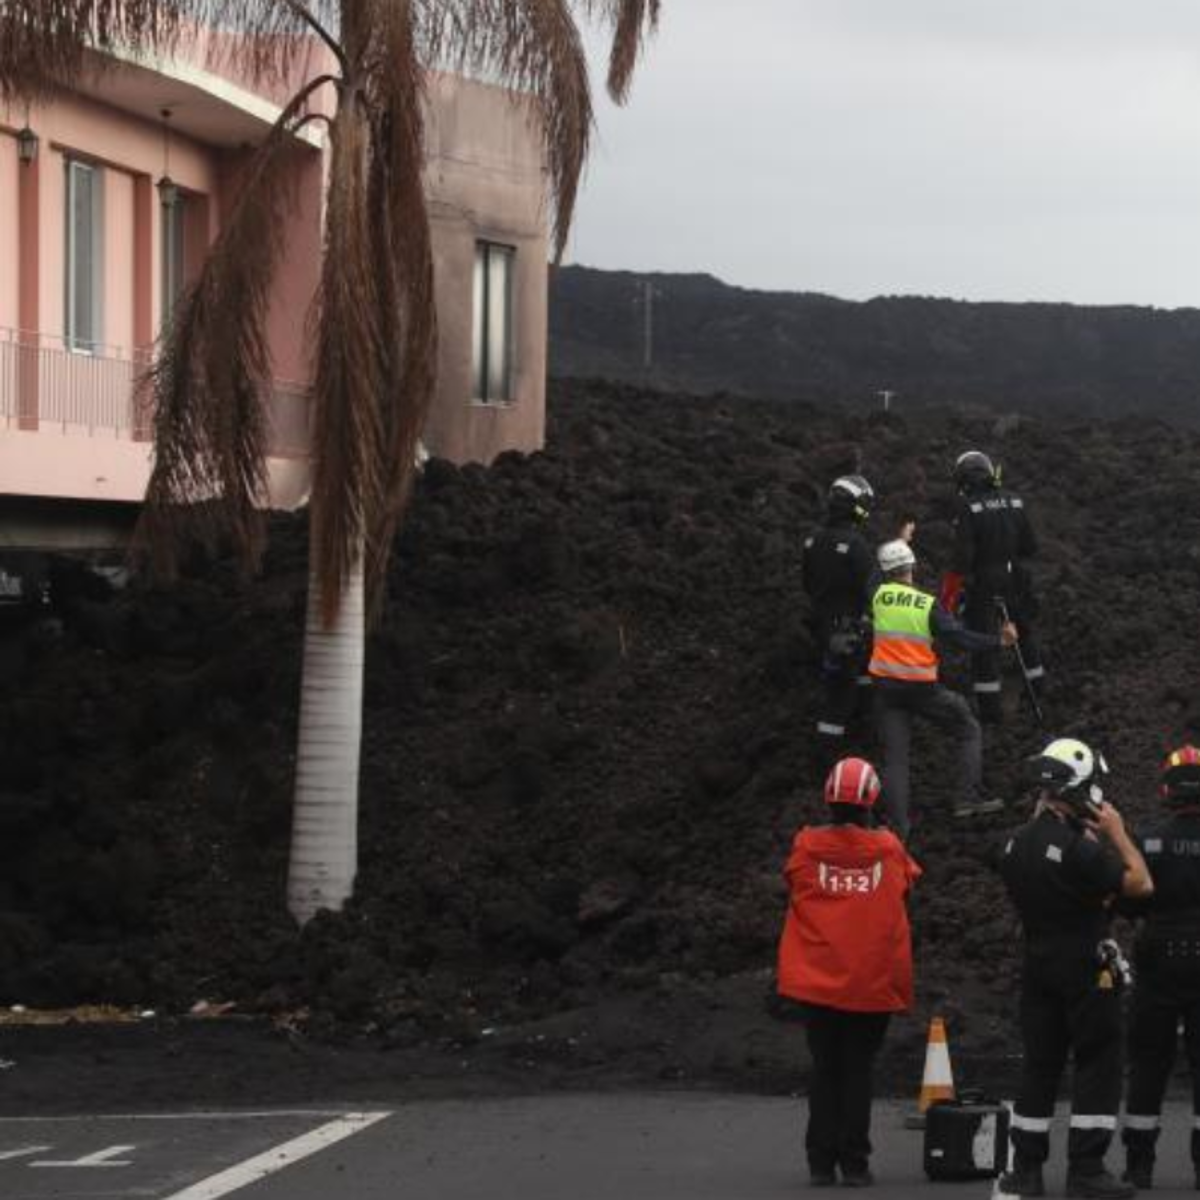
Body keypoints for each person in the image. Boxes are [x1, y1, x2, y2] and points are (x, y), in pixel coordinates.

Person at [998, 738, 1154, 1200]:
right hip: (1085, 965)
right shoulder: (1080, 851)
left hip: (1038, 964)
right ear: (1078, 789)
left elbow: (1040, 861)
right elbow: (1141, 885)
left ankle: (1025, 1170)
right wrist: (1118, 833)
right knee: (1098, 1063)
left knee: (1039, 1066)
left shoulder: (1012, 845)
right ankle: (1086, 1170)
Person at [776, 756, 922, 1188]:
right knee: (858, 1069)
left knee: (825, 1068)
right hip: (870, 982)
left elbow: (793, 881)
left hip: (817, 981)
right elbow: (908, 883)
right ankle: (855, 1164)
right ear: (872, 799)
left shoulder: (805, 845)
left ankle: (820, 1163)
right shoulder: (889, 848)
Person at [868, 537, 1017, 838]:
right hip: (923, 690)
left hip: (885, 689)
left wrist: (901, 537)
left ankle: (898, 829)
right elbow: (960, 639)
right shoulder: (926, 605)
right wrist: (999, 642)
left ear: (886, 571)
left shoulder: (876, 596)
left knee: (895, 759)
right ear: (911, 566)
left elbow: (872, 575)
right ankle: (967, 798)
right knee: (968, 728)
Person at [1121, 745, 1200, 1190]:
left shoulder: (1146, 839)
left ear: (1166, 789)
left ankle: (1138, 1164)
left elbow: (1128, 901)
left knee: (1149, 1062)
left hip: (1157, 958)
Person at [938, 449, 1045, 724]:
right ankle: (1039, 692)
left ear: (962, 480)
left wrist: (948, 600)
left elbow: (961, 561)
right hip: (1014, 576)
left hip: (983, 583)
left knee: (985, 644)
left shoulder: (967, 508)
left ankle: (990, 712)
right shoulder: (1015, 501)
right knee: (1024, 633)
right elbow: (1030, 547)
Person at [802, 475, 876, 767]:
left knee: (848, 681)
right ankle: (827, 761)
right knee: (840, 694)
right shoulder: (856, 545)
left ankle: (855, 741)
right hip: (850, 629)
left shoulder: (811, 540)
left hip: (822, 626)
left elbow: (807, 584)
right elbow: (871, 590)